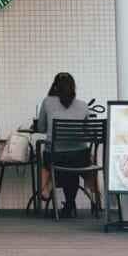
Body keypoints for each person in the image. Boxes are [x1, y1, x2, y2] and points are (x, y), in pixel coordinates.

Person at [36, 72, 89, 219]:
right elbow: (86, 132)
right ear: (73, 87)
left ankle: (46, 188)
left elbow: (41, 128)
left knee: (54, 162)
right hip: (80, 157)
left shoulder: (47, 101)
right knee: (71, 169)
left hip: (56, 157)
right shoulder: (84, 105)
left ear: (55, 86)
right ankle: (69, 206)